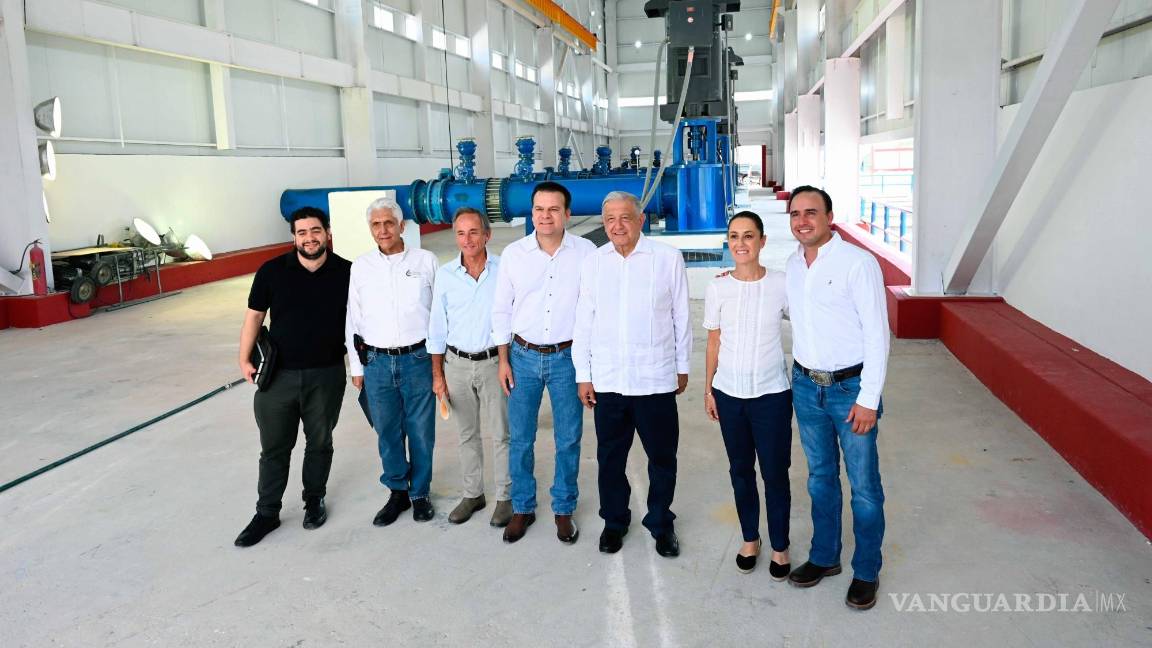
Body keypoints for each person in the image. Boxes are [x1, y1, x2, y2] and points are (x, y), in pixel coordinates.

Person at [784, 185, 889, 611]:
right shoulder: (792, 264)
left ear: (829, 217)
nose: (802, 221)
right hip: (806, 386)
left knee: (864, 487)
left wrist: (869, 398)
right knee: (820, 477)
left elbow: (877, 335)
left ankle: (866, 570)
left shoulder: (857, 263)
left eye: (811, 212)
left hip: (851, 391)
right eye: (795, 214)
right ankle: (825, 556)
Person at [573, 191, 691, 558]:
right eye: (610, 219)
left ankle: (661, 523)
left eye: (625, 217)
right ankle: (614, 521)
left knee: (662, 458)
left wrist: (682, 366)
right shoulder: (594, 263)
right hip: (609, 380)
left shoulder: (667, 259)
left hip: (655, 378)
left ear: (641, 220)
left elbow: (681, 316)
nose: (617, 225)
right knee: (610, 459)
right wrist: (583, 373)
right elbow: (584, 321)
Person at [234, 206, 351, 547]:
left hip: (326, 375)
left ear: (327, 233)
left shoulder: (347, 272)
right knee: (274, 448)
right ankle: (267, 512)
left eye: (315, 231)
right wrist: (243, 358)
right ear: (294, 237)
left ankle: (314, 500)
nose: (309, 238)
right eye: (302, 232)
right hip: (278, 377)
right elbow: (255, 317)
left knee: (320, 443)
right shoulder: (272, 271)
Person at [491, 181, 596, 545]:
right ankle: (523, 507)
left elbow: (593, 309)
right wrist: (503, 360)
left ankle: (564, 508)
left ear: (567, 214)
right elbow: (501, 309)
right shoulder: (514, 254)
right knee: (521, 438)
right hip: (522, 357)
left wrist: (588, 367)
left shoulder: (586, 253)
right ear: (531, 212)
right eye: (539, 209)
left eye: (553, 209)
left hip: (568, 358)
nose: (545, 216)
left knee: (568, 438)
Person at [702, 211, 792, 577]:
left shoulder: (782, 284)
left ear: (762, 241)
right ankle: (750, 538)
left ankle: (781, 546)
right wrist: (708, 389)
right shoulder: (718, 287)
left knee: (775, 472)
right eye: (734, 236)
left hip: (772, 395)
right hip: (729, 394)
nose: (741, 243)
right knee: (740, 470)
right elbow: (713, 341)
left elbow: (809, 323)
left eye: (749, 236)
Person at [346, 196, 439, 526]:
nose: (383, 230)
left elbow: (438, 315)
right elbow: (353, 318)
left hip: (418, 358)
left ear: (402, 226)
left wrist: (439, 364)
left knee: (421, 431)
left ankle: (420, 493)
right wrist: (356, 367)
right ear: (370, 229)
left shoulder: (426, 261)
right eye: (376, 224)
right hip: (376, 362)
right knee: (387, 431)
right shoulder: (361, 267)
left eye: (389, 223)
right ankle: (397, 491)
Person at [428, 207, 512, 527]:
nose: (467, 239)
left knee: (502, 433)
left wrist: (507, 361)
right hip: (457, 365)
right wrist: (438, 375)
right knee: (466, 434)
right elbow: (437, 328)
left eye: (474, 232)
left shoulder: (504, 270)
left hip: (494, 363)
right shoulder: (446, 275)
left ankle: (505, 497)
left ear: (487, 235)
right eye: (461, 233)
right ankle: (473, 494)